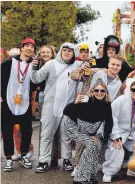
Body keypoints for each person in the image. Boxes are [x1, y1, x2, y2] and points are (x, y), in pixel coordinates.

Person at [31, 42, 83, 173]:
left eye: (70, 51)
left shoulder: (78, 65)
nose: (66, 52)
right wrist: (34, 68)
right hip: (51, 105)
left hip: (69, 107)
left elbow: (86, 78)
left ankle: (66, 159)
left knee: (66, 135)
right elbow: (36, 79)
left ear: (74, 53)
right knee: (46, 134)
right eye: (64, 50)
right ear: (60, 51)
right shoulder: (51, 64)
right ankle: (43, 161)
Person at [62, 79, 115, 184]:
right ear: (92, 92)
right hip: (72, 126)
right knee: (91, 145)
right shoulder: (86, 100)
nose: (99, 93)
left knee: (97, 144)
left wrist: (101, 137)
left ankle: (90, 175)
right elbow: (66, 111)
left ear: (106, 92)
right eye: (96, 90)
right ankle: (80, 178)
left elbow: (109, 122)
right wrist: (75, 103)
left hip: (87, 130)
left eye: (102, 91)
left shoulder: (107, 104)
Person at [1, 38, 38, 172]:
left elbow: (35, 83)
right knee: (7, 130)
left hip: (25, 102)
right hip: (8, 102)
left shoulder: (34, 65)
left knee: (27, 131)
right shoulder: (8, 63)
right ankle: (9, 158)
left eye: (32, 47)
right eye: (27, 46)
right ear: (21, 48)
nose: (29, 48)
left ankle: (23, 155)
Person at [101, 78, 135, 182]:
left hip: (133, 131)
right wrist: (115, 136)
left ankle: (133, 169)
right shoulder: (120, 100)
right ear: (129, 89)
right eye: (133, 89)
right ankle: (108, 172)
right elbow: (111, 118)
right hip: (119, 131)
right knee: (116, 148)